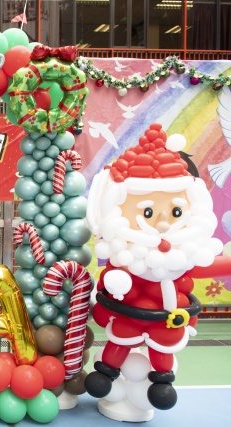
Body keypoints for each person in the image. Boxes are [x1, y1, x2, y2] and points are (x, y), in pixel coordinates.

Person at [84, 123, 231, 418]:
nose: (163, 223)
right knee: (121, 337)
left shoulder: (184, 254)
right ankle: (107, 371)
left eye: (176, 211)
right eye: (148, 212)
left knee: (162, 346)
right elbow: (113, 281)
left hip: (167, 322)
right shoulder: (126, 254)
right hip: (129, 317)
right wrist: (115, 284)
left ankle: (161, 380)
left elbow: (208, 266)